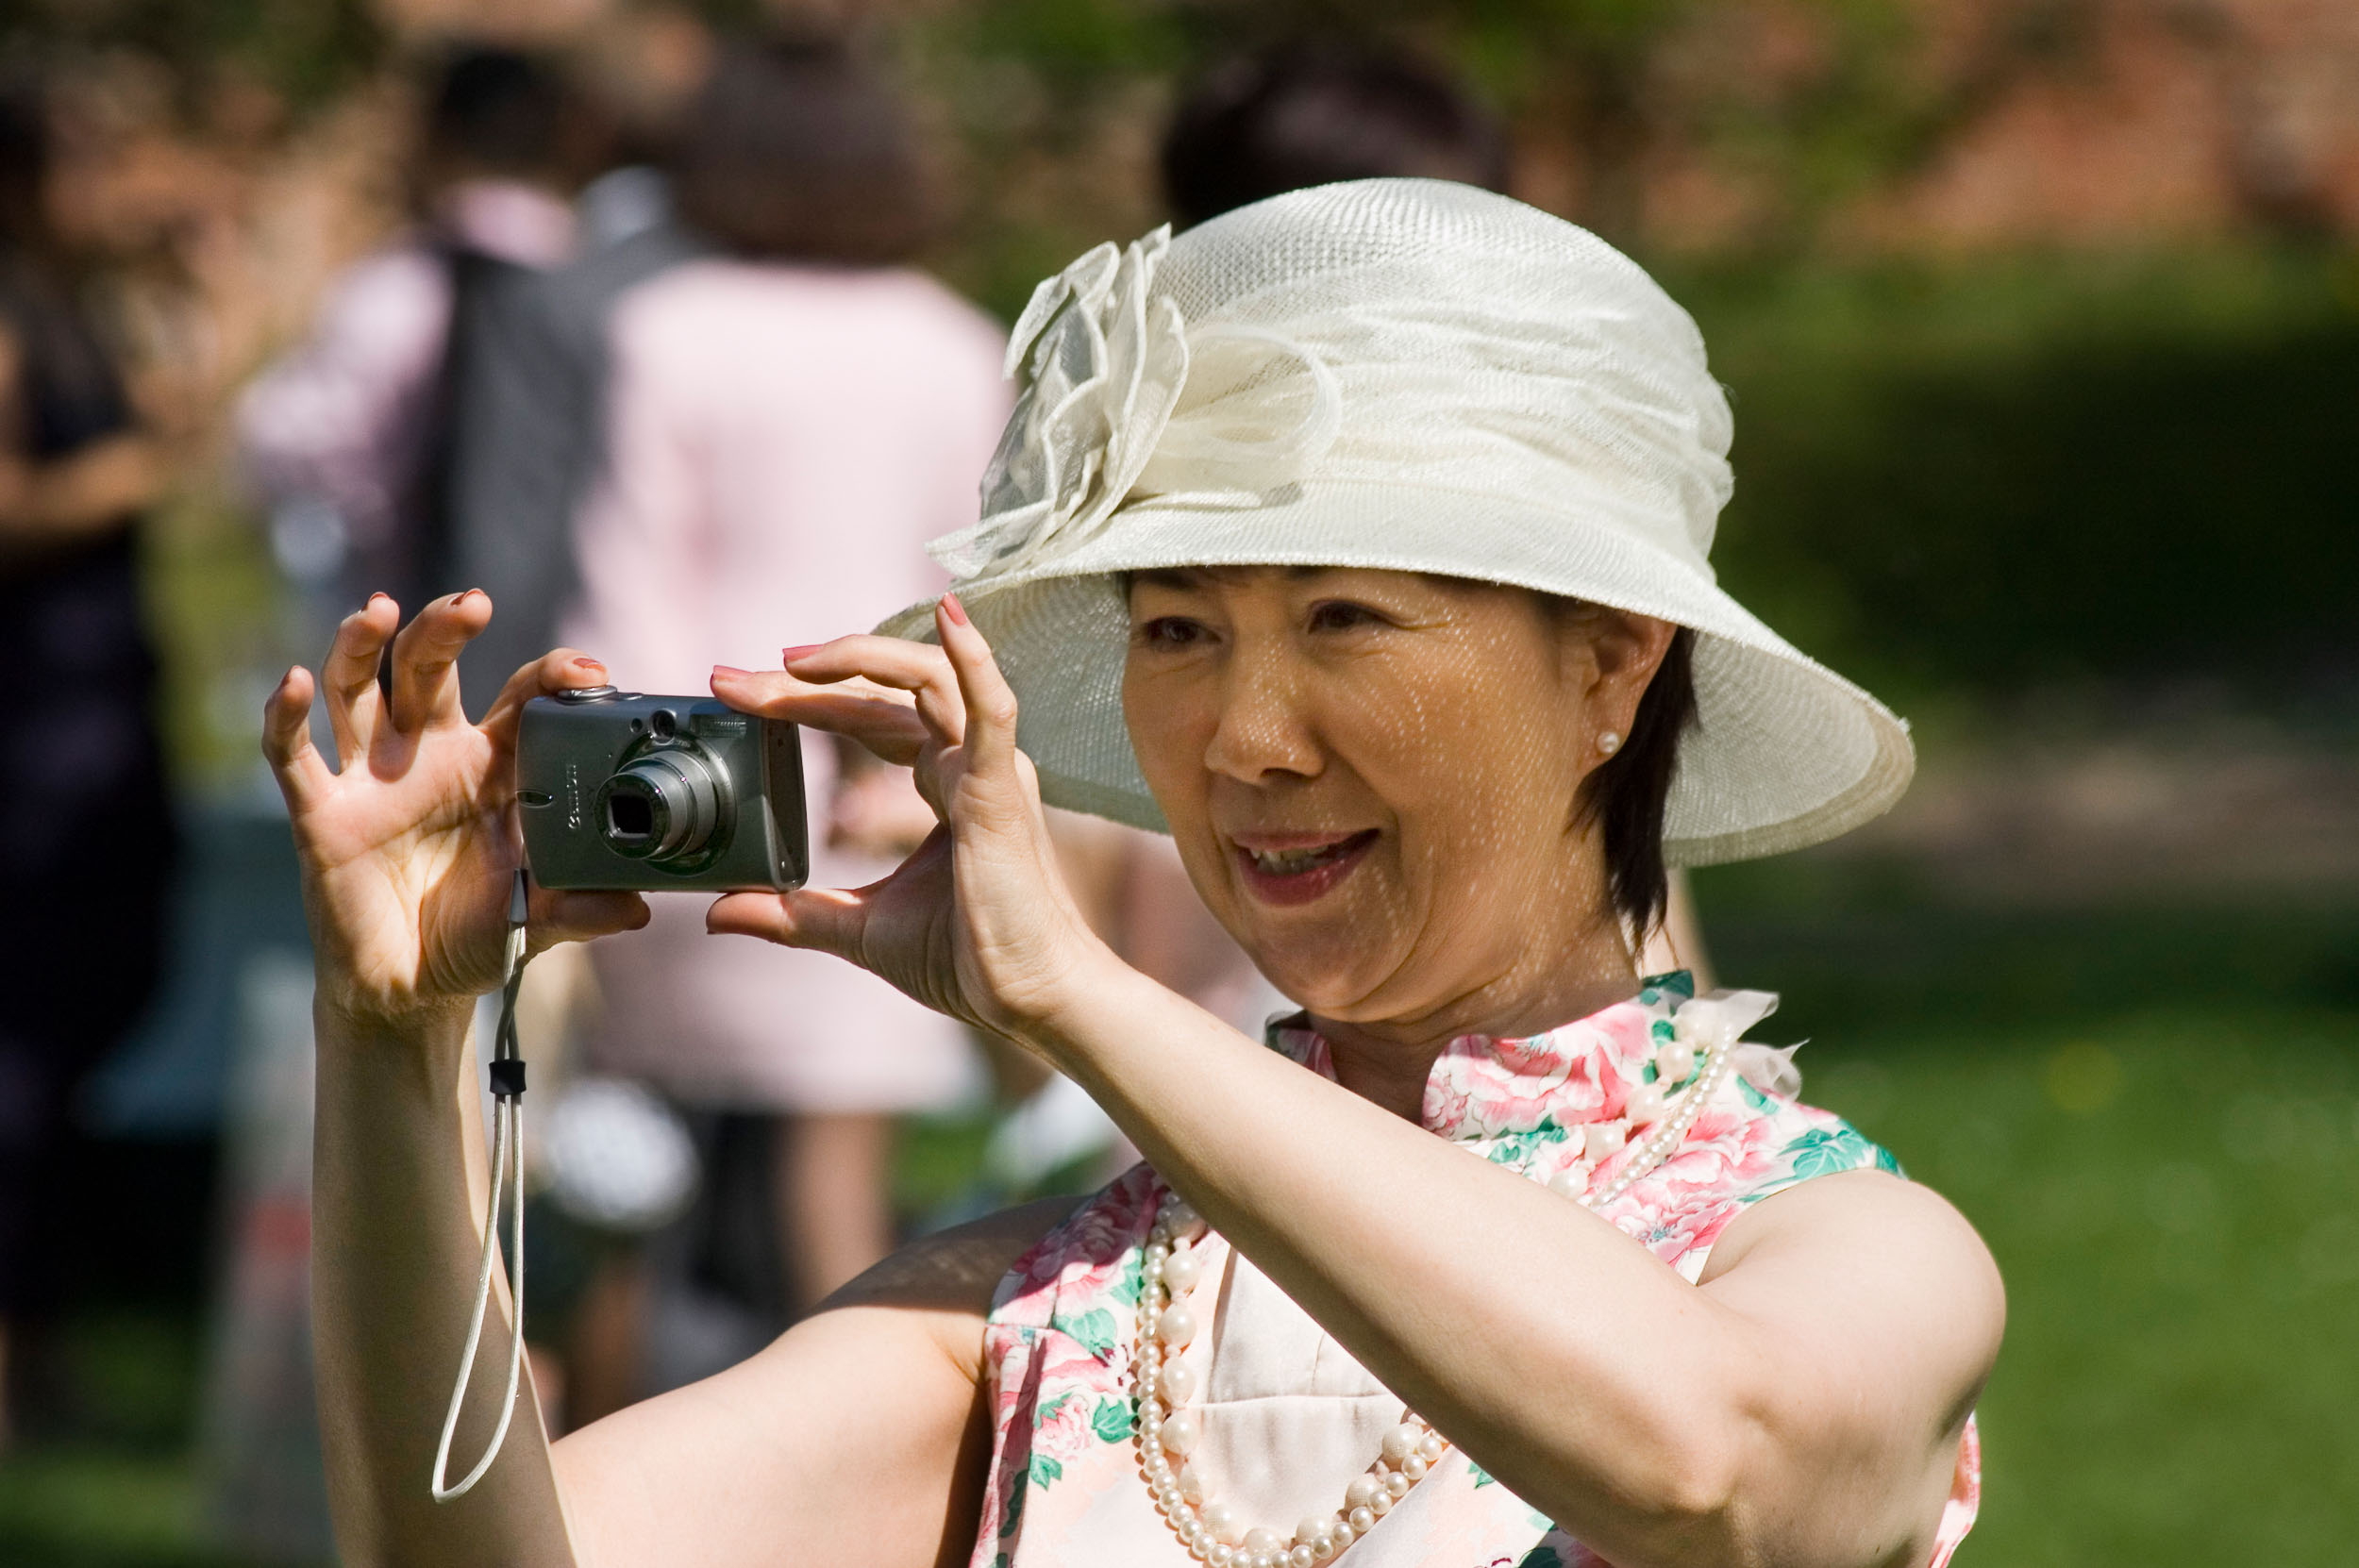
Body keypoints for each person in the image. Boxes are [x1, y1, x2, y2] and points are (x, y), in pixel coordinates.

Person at [264, 180, 1999, 1568]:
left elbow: (1712, 1472)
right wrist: (395, 1041)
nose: (1246, 737)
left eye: (1342, 618)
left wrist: (1077, 993)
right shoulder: (1050, 1304)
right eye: (1177, 628)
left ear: (1611, 666)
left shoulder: (1836, 1241)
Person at [555, 36, 1007, 1336]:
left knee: (625, 1173)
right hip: (874, 790)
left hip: (680, 772)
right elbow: (968, 585)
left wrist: (623, 800)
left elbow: (623, 583)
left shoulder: (668, 330)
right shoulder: (950, 341)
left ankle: (579, 1492)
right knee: (835, 1179)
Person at [0, 74, 176, 1445]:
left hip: (96, 707)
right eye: (84, 156)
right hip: (34, 722)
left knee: (72, 1037)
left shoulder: (76, 310)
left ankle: (43, 1336)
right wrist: (127, 469)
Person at [236, 43, 581, 621]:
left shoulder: (401, 290)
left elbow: (295, 444)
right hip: (580, 641)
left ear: (434, 137)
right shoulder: (600, 283)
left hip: (427, 630)